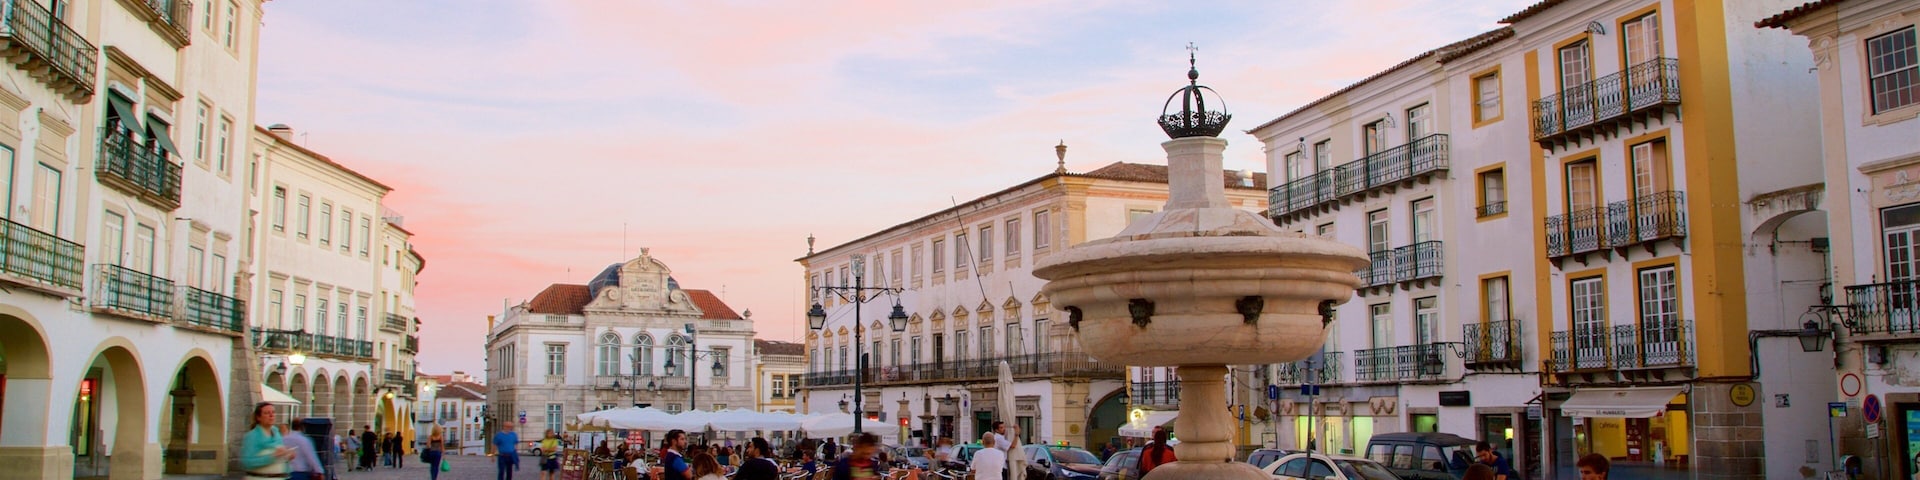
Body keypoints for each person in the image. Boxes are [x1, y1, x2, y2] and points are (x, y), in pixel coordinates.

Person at [240, 403, 295, 480]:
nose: (271, 415)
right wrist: (272, 456)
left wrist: (287, 456)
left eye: (273, 412)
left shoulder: (277, 433)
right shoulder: (253, 436)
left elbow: (279, 456)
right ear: (258, 417)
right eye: (267, 413)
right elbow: (247, 462)